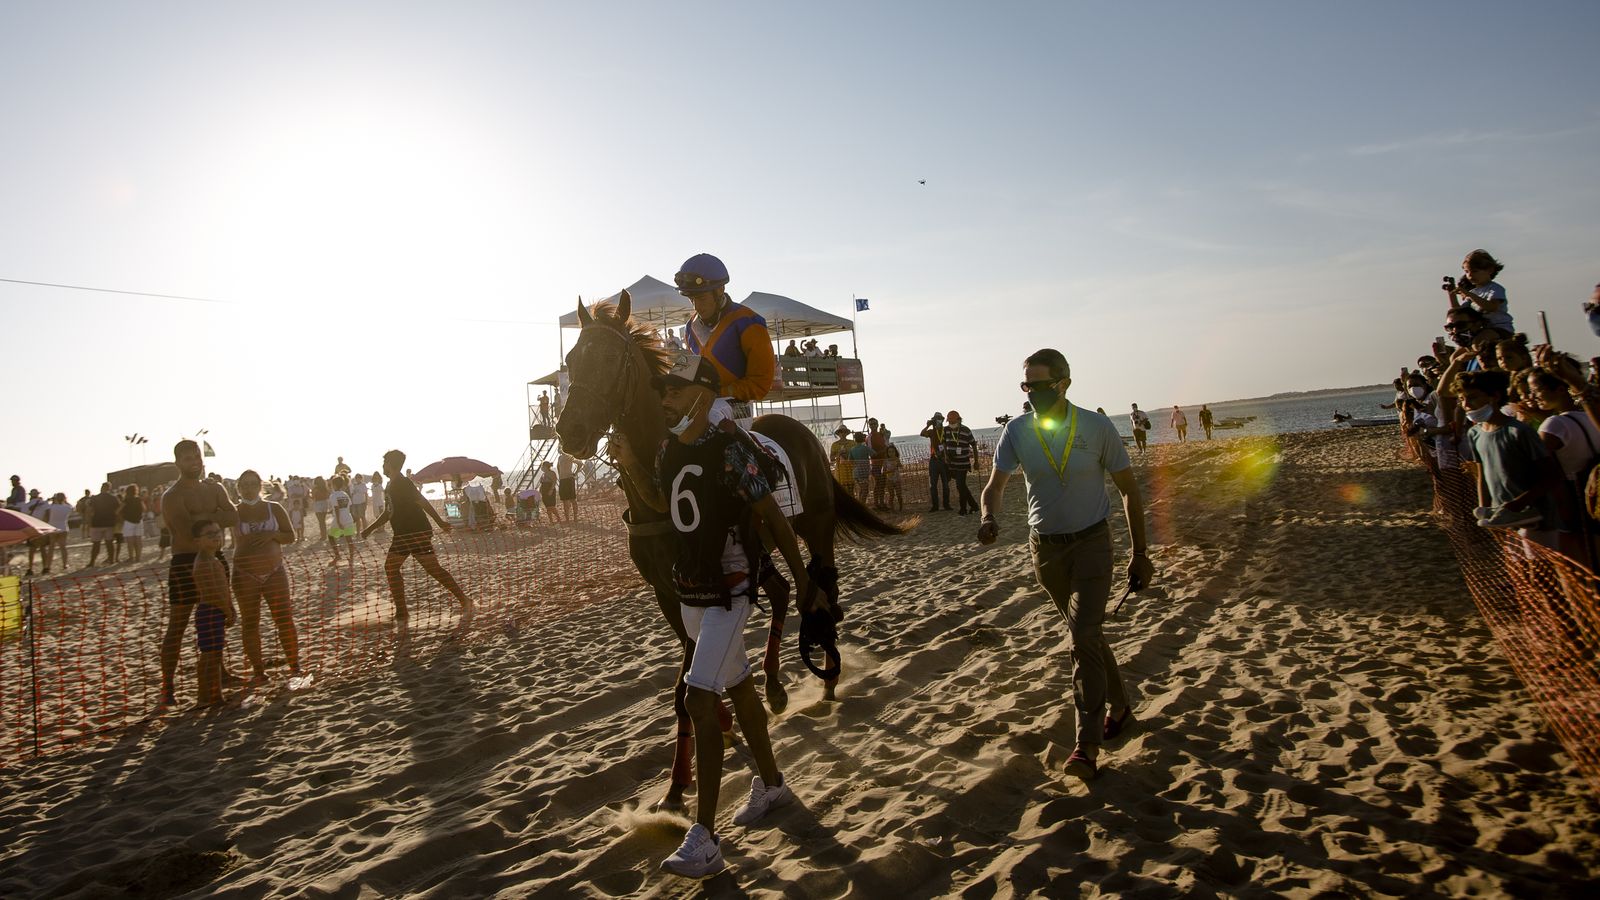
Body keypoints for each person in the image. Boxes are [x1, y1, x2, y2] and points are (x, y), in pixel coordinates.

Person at [649, 355, 807, 878]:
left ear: (701, 394)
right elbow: (675, 506)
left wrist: (805, 584)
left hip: (730, 590)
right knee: (738, 684)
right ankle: (773, 784)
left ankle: (706, 838)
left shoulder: (733, 450)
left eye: (674, 388)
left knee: (699, 696)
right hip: (691, 592)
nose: (665, 397)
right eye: (662, 389)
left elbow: (774, 520)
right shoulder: (670, 448)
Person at [978, 348, 1154, 780]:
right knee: (1087, 636)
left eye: (1039, 386)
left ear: (1064, 384)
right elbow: (994, 487)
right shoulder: (1016, 432)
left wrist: (1140, 552)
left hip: (1092, 542)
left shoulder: (1096, 427)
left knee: (1081, 637)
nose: (1032, 394)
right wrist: (988, 516)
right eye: (1026, 386)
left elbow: (1129, 490)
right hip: (1046, 551)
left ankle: (1086, 745)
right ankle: (1122, 706)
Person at [159, 440, 239, 707]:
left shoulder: (214, 487)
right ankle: (167, 687)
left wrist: (205, 518)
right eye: (187, 457)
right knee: (178, 625)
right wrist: (213, 516)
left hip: (215, 557)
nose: (194, 460)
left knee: (217, 617)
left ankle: (221, 674)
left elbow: (233, 516)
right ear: (177, 462)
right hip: (184, 561)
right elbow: (187, 533)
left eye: (196, 456)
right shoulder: (172, 495)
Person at [362, 450, 472, 621]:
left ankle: (464, 601)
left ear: (390, 464)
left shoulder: (403, 483)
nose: (383, 466)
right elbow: (388, 512)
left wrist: (440, 522)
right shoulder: (391, 485)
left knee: (429, 569)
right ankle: (403, 611)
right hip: (403, 534)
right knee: (394, 568)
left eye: (384, 463)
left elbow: (422, 501)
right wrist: (370, 528)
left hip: (415, 532)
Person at [1459, 370, 1561, 548]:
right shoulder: (1474, 433)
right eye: (1461, 399)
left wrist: (1515, 506)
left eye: (1473, 397)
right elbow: (1482, 475)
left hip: (1533, 517)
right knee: (1518, 571)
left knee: (1539, 572)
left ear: (1495, 396)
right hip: (1503, 519)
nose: (1466, 404)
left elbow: (1550, 476)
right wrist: (1486, 510)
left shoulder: (1518, 431)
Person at [677, 253, 777, 423]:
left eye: (701, 298)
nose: (696, 306)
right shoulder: (689, 328)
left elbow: (761, 384)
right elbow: (687, 373)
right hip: (703, 402)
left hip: (739, 406)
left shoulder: (749, 322)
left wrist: (717, 392)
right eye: (691, 299)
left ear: (720, 290)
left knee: (709, 417)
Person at [231, 470, 300, 682]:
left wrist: (272, 534)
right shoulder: (233, 512)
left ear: (260, 485)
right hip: (244, 573)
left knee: (284, 619)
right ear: (238, 488)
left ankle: (295, 667)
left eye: (253, 484)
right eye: (244, 485)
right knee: (250, 623)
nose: (248, 488)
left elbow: (291, 536)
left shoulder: (274, 508)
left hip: (274, 571)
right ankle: (259, 672)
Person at [187, 521, 237, 707]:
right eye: (209, 534)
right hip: (210, 611)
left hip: (215, 610)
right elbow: (213, 592)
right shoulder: (204, 562)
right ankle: (211, 697)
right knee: (211, 656)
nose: (216, 536)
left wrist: (229, 607)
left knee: (212, 655)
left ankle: (206, 696)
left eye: (218, 531)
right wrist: (227, 610)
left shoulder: (212, 559)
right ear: (197, 540)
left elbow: (222, 589)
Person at [1445, 249, 1513, 337]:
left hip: (1500, 329)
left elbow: (1491, 307)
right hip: (1482, 330)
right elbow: (1459, 312)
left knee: (1478, 343)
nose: (1470, 275)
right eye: (1467, 272)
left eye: (1474, 271)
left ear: (1490, 270)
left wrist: (1469, 295)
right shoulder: (1473, 292)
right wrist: (1452, 294)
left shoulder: (1495, 288)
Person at [941, 410, 978, 515]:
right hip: (952, 464)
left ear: (958, 419)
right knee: (961, 486)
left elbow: (974, 445)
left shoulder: (966, 430)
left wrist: (976, 461)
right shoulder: (946, 430)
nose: (950, 423)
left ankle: (963, 509)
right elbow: (943, 443)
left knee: (960, 485)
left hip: (963, 463)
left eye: (952, 421)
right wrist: (945, 455)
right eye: (949, 421)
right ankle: (974, 505)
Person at [920, 413, 950, 512]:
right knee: (933, 485)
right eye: (936, 419)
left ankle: (946, 505)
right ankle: (935, 506)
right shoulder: (932, 431)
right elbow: (922, 433)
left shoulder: (945, 430)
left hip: (944, 460)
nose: (939, 420)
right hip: (933, 460)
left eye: (940, 419)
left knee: (945, 484)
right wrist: (928, 425)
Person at [87, 482, 121, 566]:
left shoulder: (94, 498)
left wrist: (89, 521)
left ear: (101, 488)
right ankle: (111, 560)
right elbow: (119, 508)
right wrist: (115, 517)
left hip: (97, 523)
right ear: (109, 488)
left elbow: (90, 510)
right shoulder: (113, 498)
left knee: (96, 544)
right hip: (109, 523)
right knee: (109, 543)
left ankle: (92, 562)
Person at [37, 493, 72, 573]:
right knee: (63, 547)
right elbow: (70, 507)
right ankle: (65, 564)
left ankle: (48, 566)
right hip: (63, 527)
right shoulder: (67, 507)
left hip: (53, 528)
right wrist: (65, 501)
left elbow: (46, 517)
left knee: (51, 548)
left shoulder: (51, 507)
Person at [326, 475, 356, 564]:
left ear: (334, 485)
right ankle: (351, 558)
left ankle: (337, 556)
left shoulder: (333, 495)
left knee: (331, 537)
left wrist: (338, 521)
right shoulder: (345, 494)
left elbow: (336, 508)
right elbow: (348, 506)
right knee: (349, 538)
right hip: (348, 517)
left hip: (339, 519)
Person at [119, 485, 145, 562]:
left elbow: (118, 510)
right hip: (139, 520)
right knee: (138, 540)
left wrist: (122, 517)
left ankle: (131, 557)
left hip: (128, 521)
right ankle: (138, 557)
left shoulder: (126, 500)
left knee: (130, 541)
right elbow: (144, 509)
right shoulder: (139, 499)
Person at [847, 432, 873, 504]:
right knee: (865, 490)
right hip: (864, 472)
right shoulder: (865, 448)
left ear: (855, 439)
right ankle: (862, 506)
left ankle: (860, 504)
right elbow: (874, 454)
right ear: (863, 439)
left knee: (862, 489)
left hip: (856, 472)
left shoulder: (852, 449)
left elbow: (849, 461)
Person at [829, 425, 856, 490]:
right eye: (841, 432)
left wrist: (848, 455)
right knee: (843, 489)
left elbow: (855, 456)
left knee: (851, 488)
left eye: (844, 432)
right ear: (838, 433)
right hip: (840, 470)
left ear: (847, 433)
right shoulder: (834, 444)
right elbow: (831, 458)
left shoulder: (852, 443)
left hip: (851, 468)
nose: (842, 433)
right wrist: (839, 454)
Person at [556, 451, 580, 522]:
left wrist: (575, 473)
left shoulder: (570, 456)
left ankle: (575, 517)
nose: (558, 449)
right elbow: (558, 467)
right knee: (564, 500)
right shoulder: (560, 457)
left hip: (569, 479)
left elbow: (580, 463)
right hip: (562, 479)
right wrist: (560, 475)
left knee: (572, 499)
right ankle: (567, 519)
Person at [883, 443, 904, 511]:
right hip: (889, 480)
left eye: (892, 451)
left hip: (897, 479)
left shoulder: (897, 459)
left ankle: (901, 508)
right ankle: (892, 509)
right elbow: (883, 472)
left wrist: (899, 465)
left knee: (899, 494)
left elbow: (901, 467)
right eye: (889, 452)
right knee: (891, 495)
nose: (891, 453)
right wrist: (890, 471)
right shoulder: (886, 461)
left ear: (895, 452)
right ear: (887, 453)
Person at [310, 475, 331, 541]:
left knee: (321, 521)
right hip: (324, 503)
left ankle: (323, 535)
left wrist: (309, 495)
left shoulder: (315, 489)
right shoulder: (325, 488)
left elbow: (313, 497)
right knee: (323, 521)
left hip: (318, 504)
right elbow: (328, 495)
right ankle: (324, 534)